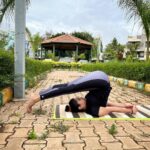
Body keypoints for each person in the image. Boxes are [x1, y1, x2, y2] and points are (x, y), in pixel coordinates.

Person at [26, 70, 137, 117]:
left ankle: (40, 93)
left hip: (98, 79)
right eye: (78, 100)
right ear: (80, 107)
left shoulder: (88, 102)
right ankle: (38, 97)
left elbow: (107, 103)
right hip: (101, 81)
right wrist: (129, 110)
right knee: (69, 88)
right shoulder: (94, 110)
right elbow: (109, 108)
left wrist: (125, 104)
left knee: (66, 86)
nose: (80, 97)